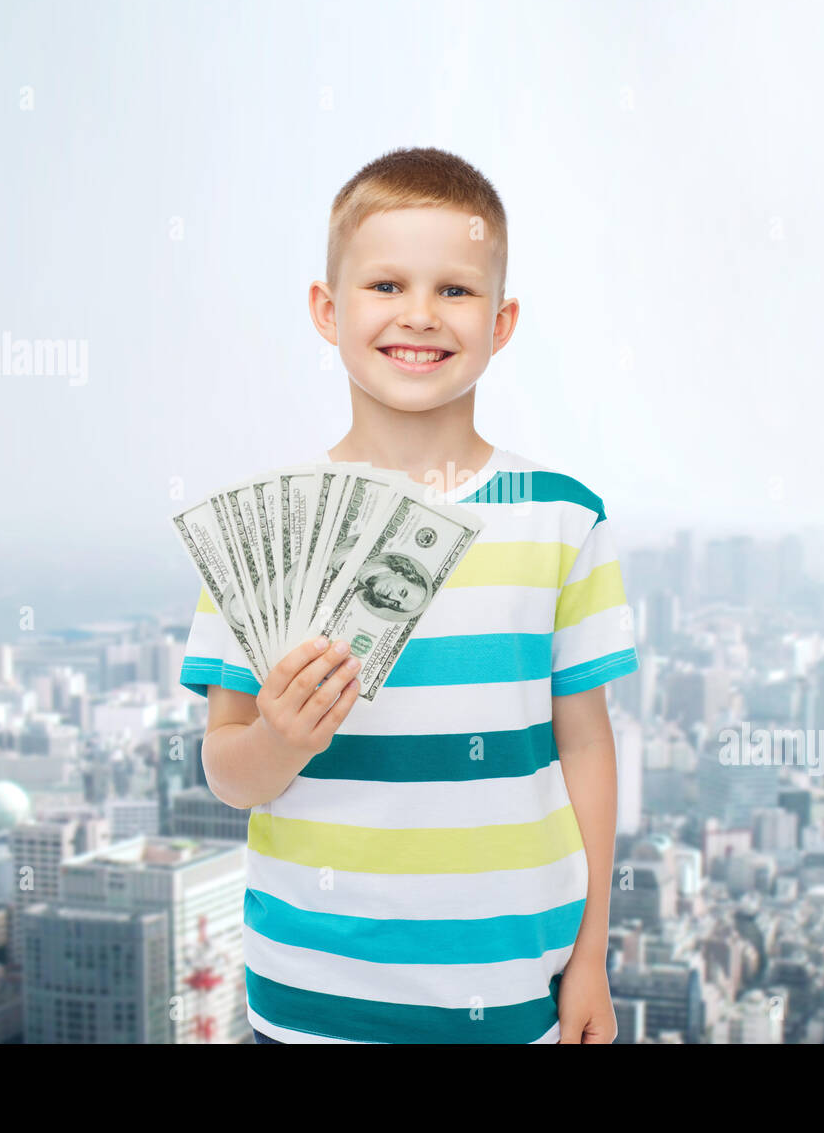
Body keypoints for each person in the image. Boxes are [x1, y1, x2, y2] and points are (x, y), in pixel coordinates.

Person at [178, 146, 639, 1044]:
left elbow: (586, 745)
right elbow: (226, 773)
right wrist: (278, 738)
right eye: (385, 285)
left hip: (510, 983)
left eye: (455, 291)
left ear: (501, 321)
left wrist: (590, 959)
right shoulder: (267, 529)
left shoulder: (561, 519)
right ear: (327, 309)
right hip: (310, 988)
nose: (419, 315)